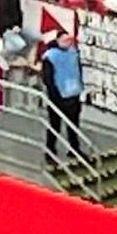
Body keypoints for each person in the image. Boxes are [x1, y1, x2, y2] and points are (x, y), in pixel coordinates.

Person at [41, 30, 84, 164]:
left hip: (73, 94)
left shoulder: (73, 53)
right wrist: (55, 95)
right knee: (55, 126)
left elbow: (78, 71)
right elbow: (48, 79)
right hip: (58, 96)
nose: (68, 43)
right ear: (57, 41)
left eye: (69, 40)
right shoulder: (50, 56)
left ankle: (74, 148)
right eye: (65, 40)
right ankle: (50, 151)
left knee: (74, 125)